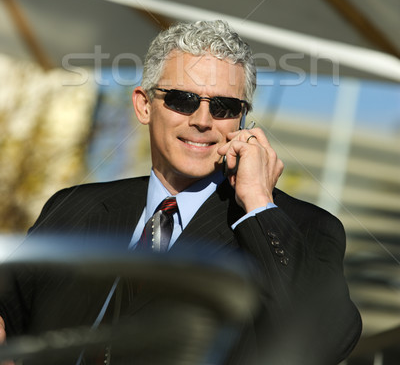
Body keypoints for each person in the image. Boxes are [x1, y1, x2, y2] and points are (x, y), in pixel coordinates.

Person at [0, 20, 361, 364]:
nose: (202, 120)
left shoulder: (297, 227)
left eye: (224, 107)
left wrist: (259, 204)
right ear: (144, 105)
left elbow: (329, 337)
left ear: (242, 120)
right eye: (183, 99)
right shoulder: (74, 207)